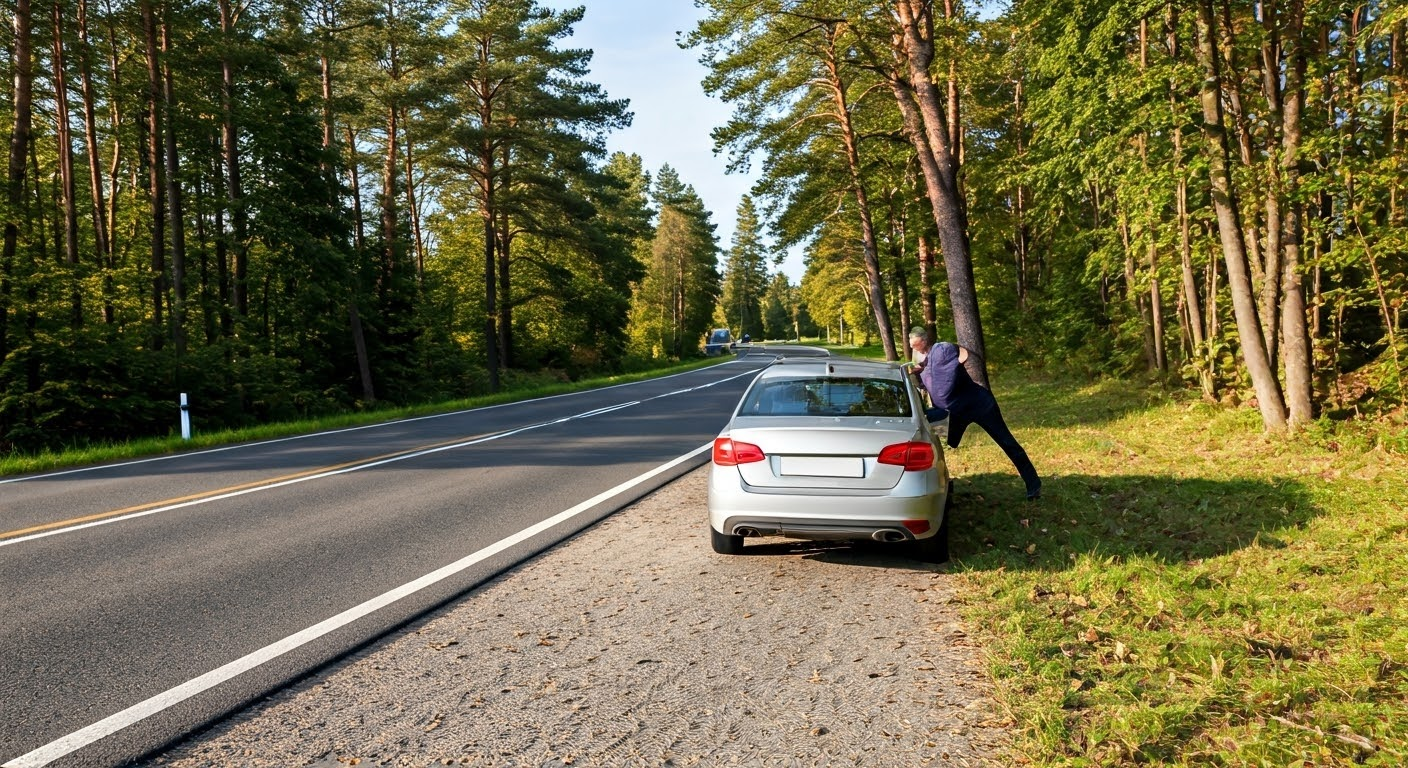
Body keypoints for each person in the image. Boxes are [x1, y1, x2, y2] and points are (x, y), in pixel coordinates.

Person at [908, 326, 1042, 500]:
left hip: (980, 405)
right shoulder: (923, 363)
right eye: (912, 346)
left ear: (924, 341)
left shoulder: (942, 352)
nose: (914, 348)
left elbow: (948, 374)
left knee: (1007, 442)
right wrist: (919, 374)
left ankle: (1034, 485)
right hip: (955, 412)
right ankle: (942, 483)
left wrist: (926, 368)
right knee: (934, 439)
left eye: (916, 345)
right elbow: (930, 386)